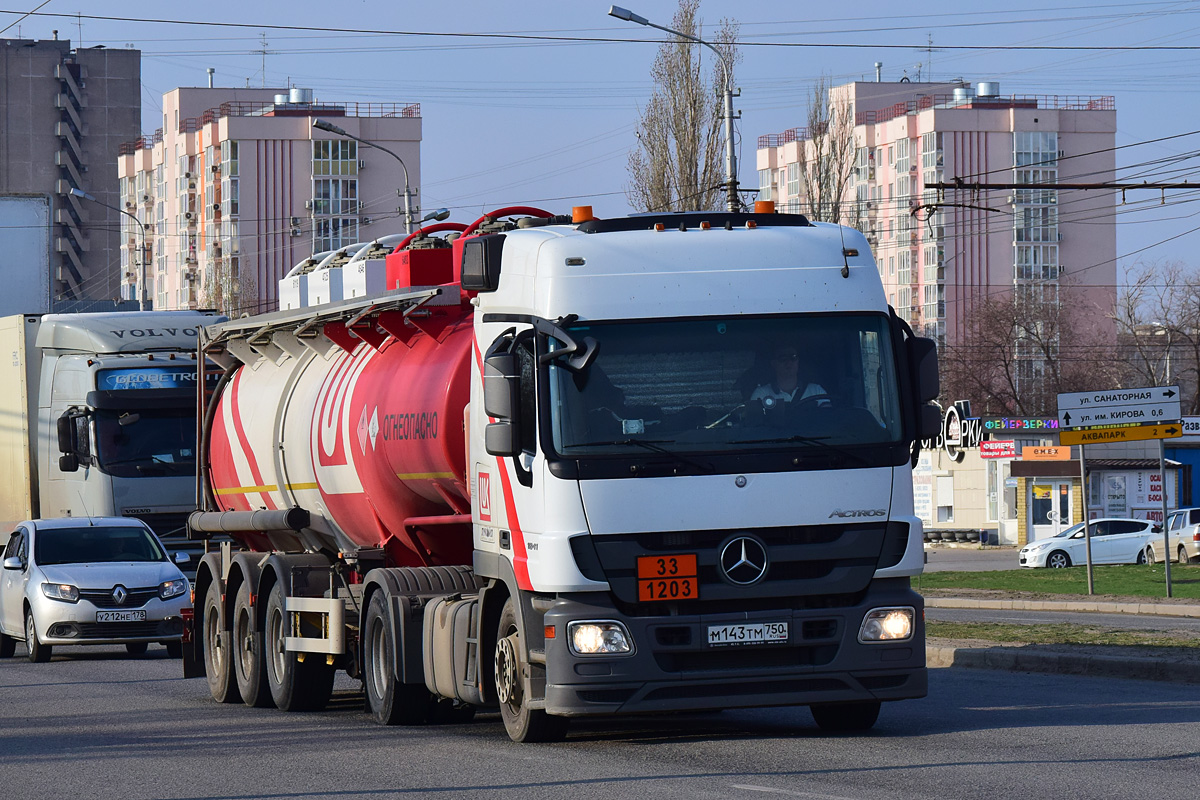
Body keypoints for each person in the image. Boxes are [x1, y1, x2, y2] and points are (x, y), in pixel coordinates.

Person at [749, 344, 827, 409]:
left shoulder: (816, 391)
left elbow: (829, 419)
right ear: (774, 364)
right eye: (783, 359)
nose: (789, 362)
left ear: (798, 361)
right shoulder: (761, 394)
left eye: (793, 358)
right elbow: (754, 425)